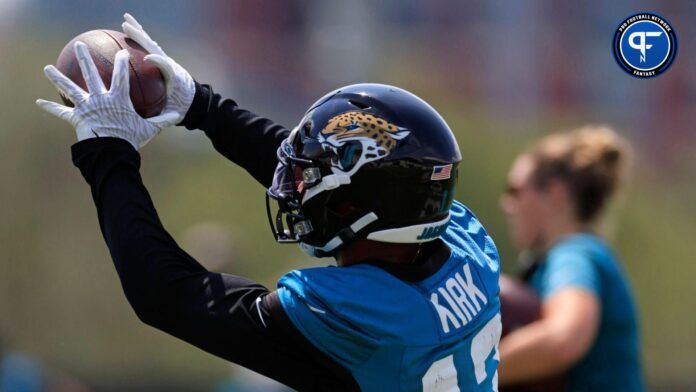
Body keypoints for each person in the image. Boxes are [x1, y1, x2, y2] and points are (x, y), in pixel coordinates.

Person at [36, 14, 502, 391]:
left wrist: (108, 153)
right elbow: (343, 182)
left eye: (312, 174)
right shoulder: (465, 244)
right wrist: (203, 106)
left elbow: (167, 296)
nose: (296, 184)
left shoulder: (360, 315)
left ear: (356, 205)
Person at [497, 126, 643, 390]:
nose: (506, 204)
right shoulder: (566, 257)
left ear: (554, 194)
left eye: (515, 190)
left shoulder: (574, 256)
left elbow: (564, 340)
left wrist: (472, 375)